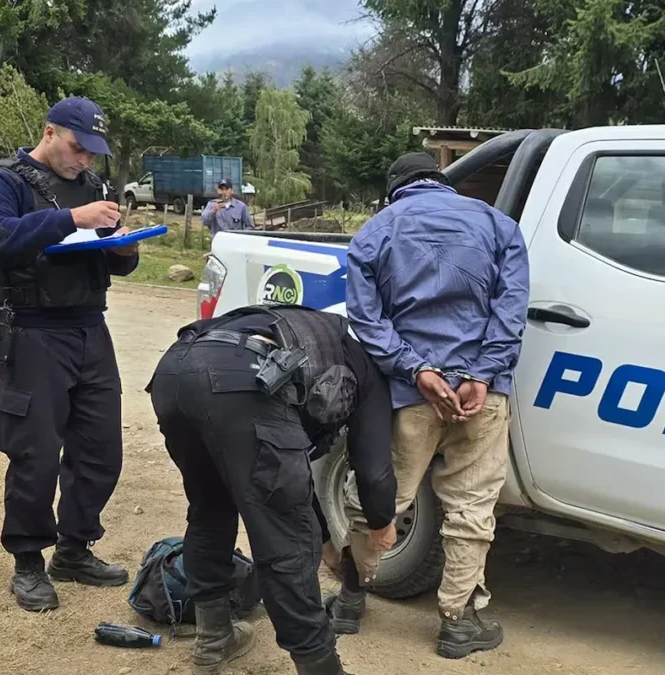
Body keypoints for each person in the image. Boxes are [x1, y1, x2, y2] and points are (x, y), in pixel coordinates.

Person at [334, 152, 530, 659]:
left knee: (379, 499)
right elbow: (511, 311)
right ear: (442, 183)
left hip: (408, 396)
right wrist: (482, 375)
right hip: (481, 398)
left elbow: (366, 319)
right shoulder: (499, 225)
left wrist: (416, 370)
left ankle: (351, 599)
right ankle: (457, 624)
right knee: (472, 506)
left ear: (395, 189)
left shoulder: (376, 231)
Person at [148, 302, 398, 675]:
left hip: (174, 372)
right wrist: (381, 522)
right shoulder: (366, 365)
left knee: (210, 506)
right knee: (287, 539)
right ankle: (320, 667)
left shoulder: (312, 330)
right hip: (242, 380)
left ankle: (214, 637)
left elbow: (294, 476)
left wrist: (328, 538)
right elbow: (373, 470)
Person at [0, 96, 139, 613]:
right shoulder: (7, 180)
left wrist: (124, 251)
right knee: (35, 454)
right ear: (49, 131)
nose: (85, 160)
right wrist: (70, 218)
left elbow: (104, 261)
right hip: (32, 332)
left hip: (89, 329)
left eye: (93, 152)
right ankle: (27, 561)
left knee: (100, 450)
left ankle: (74, 548)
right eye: (77, 147)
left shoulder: (91, 187)